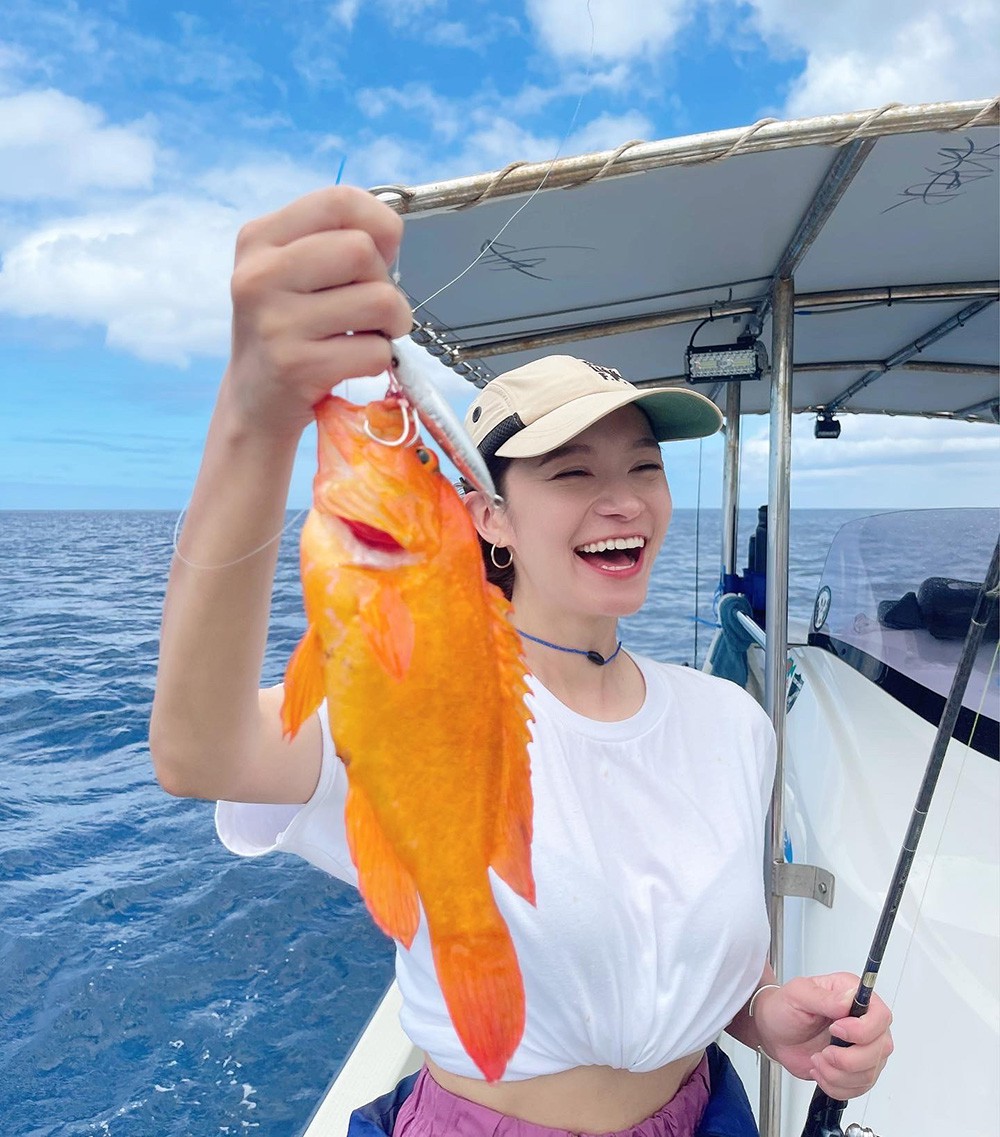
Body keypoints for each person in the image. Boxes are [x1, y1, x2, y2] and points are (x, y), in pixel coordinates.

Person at [150, 186, 893, 1137]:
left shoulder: (730, 721)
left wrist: (765, 1018)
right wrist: (254, 420)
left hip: (709, 1114)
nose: (622, 499)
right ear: (488, 517)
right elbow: (195, 751)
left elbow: (690, 959)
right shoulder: (414, 692)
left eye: (644, 466)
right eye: (572, 472)